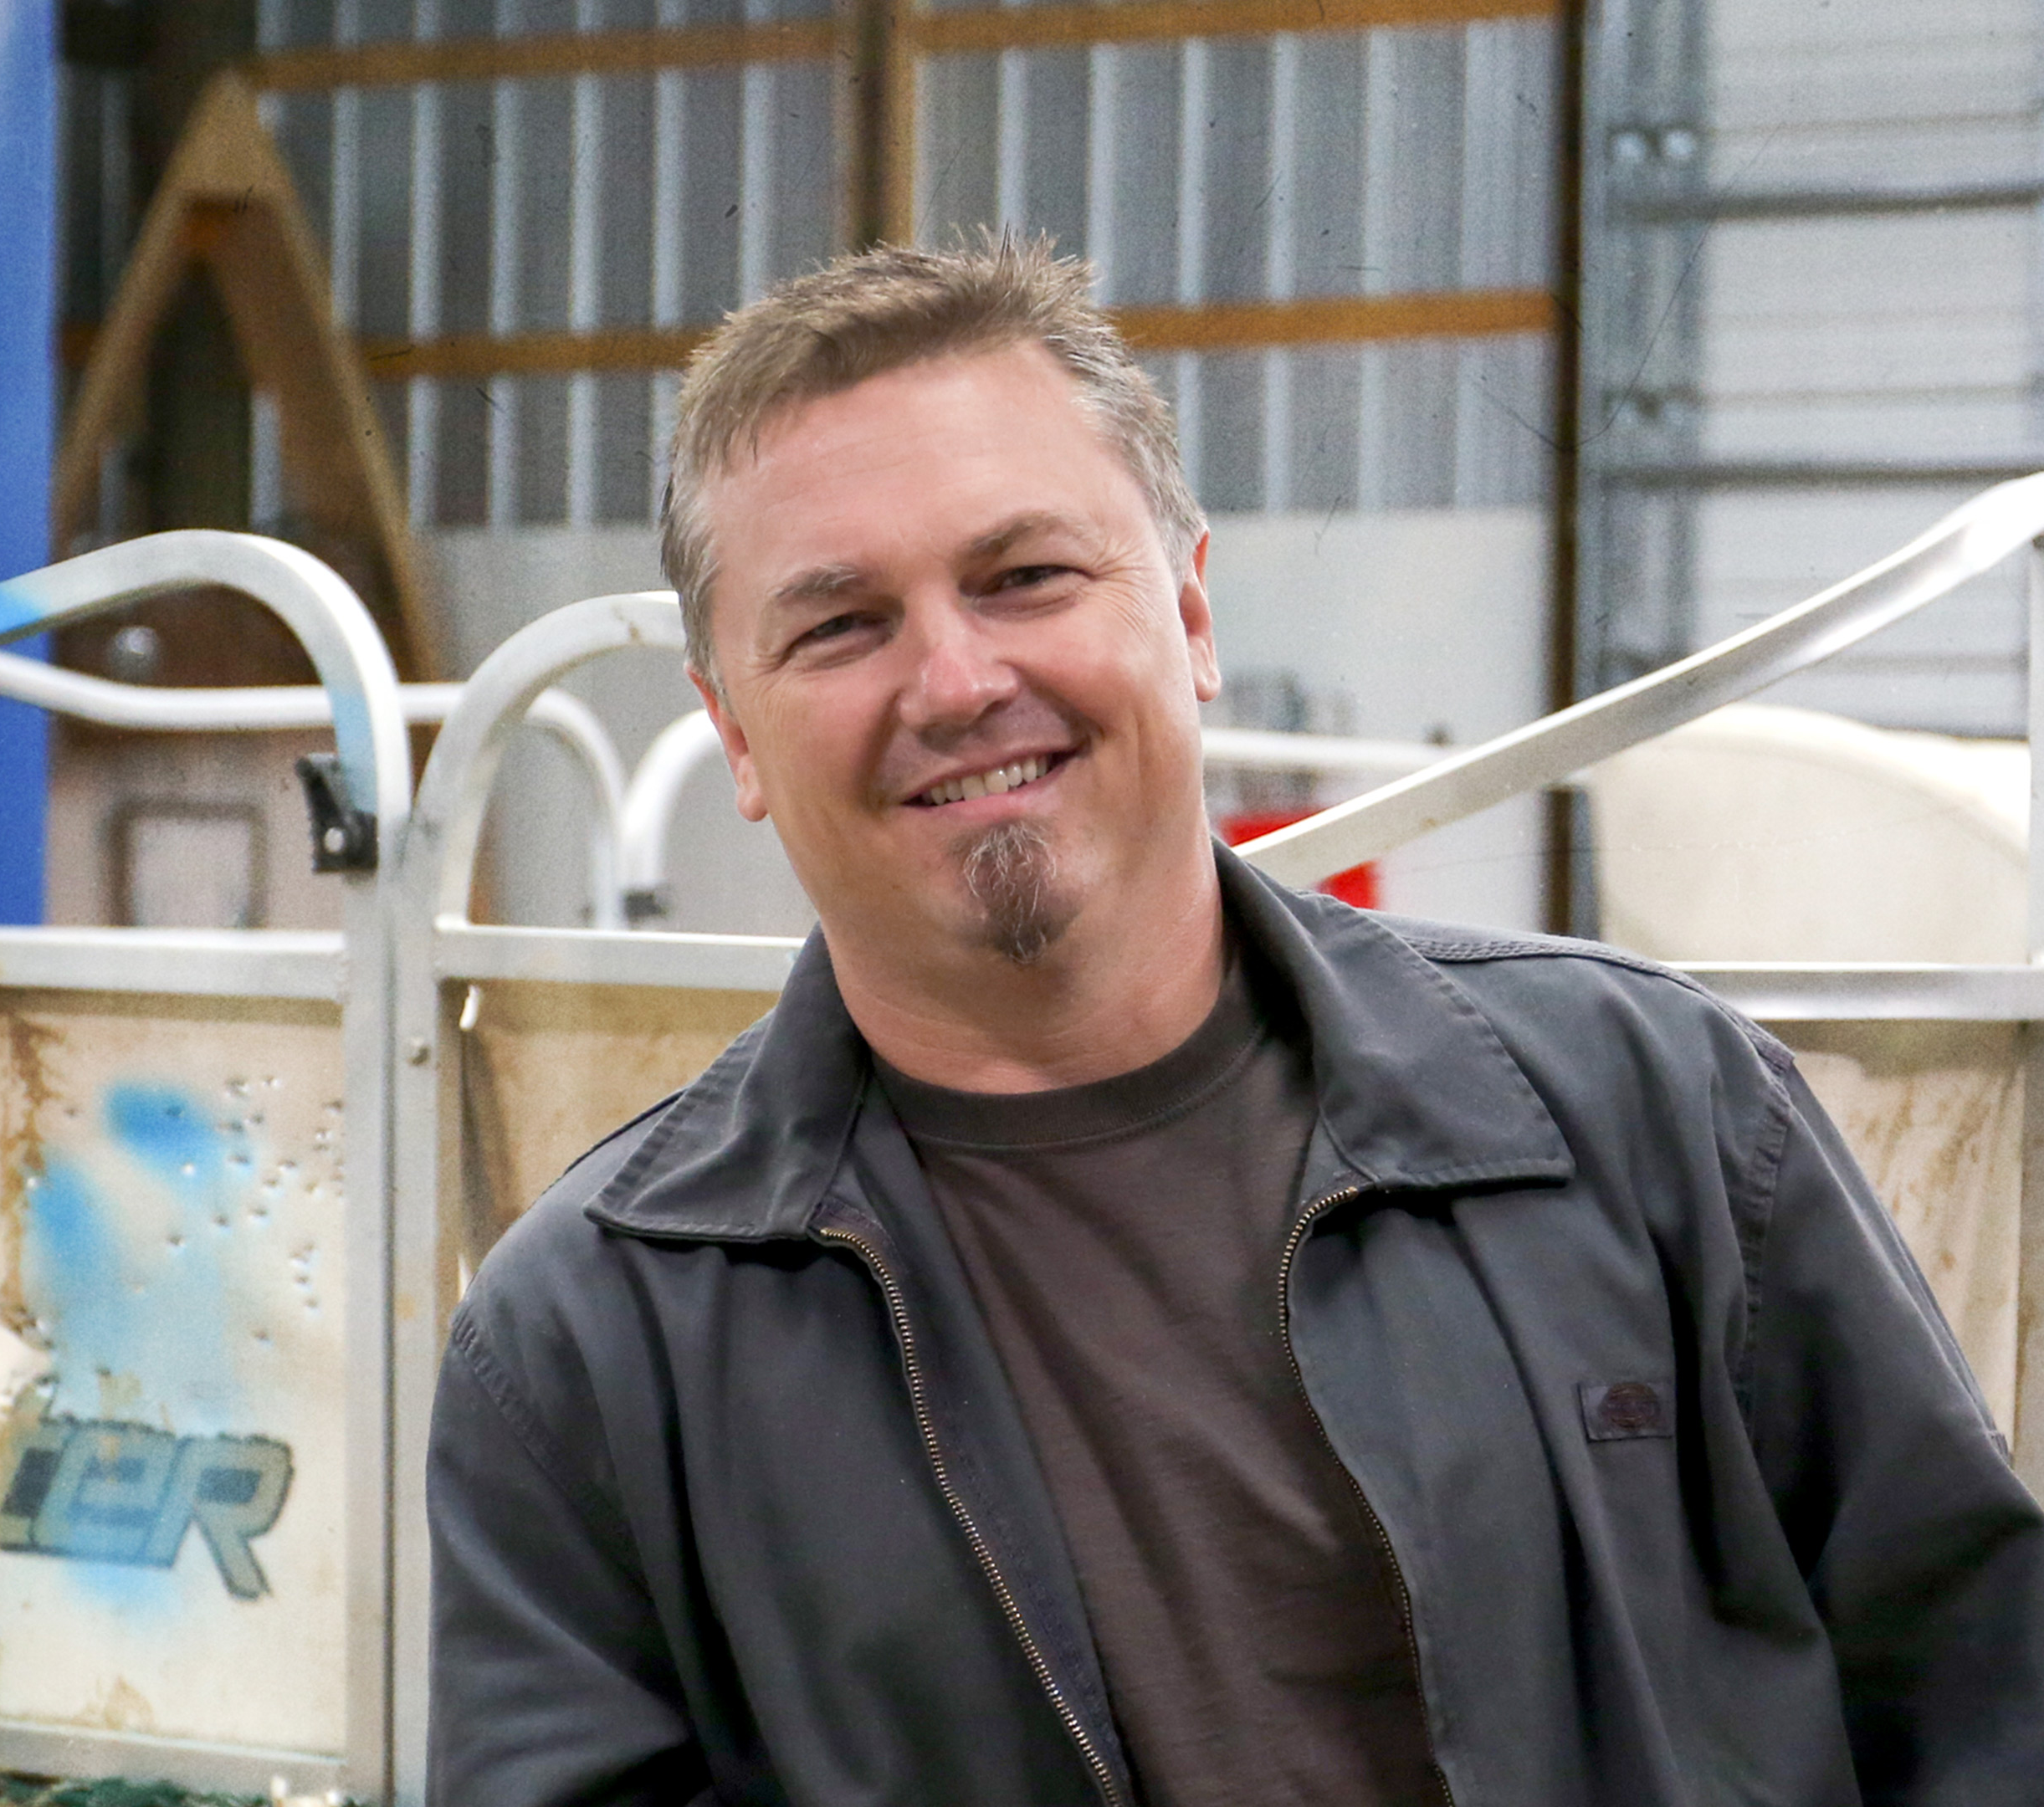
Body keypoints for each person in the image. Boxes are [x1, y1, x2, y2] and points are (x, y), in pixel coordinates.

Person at [425, 235, 2044, 1806]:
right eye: (841, 624)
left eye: (1026, 576)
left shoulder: (1650, 1111)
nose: (956, 679)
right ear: (736, 733)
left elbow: (1988, 1706)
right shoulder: (591, 1342)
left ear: (1191, 617)